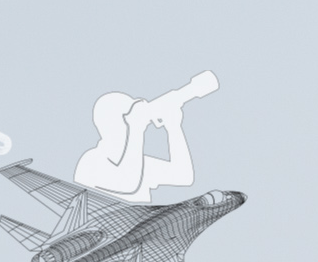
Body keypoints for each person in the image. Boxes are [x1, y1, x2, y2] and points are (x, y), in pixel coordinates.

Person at [74, 71, 218, 202]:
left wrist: (174, 128)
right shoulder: (90, 162)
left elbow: (183, 176)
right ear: (111, 122)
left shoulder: (139, 163)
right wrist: (136, 128)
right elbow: (127, 182)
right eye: (130, 113)